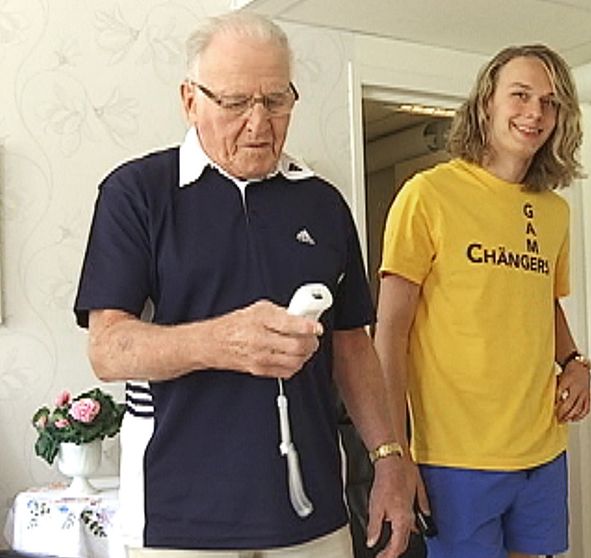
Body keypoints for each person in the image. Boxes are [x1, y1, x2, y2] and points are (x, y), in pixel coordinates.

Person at [73, 12, 416, 558]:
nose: (259, 123)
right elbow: (109, 349)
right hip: (178, 520)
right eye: (235, 103)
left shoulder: (324, 205)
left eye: (276, 100)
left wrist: (391, 457)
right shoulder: (137, 193)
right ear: (190, 100)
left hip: (313, 518)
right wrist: (222, 341)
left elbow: (352, 345)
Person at [374, 44, 591, 558]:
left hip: (542, 446)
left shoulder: (554, 211)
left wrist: (575, 361)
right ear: (486, 105)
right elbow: (390, 328)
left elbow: (543, 302)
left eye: (550, 102)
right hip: (456, 457)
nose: (535, 112)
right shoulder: (427, 194)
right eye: (520, 95)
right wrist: (393, 449)